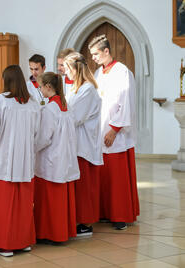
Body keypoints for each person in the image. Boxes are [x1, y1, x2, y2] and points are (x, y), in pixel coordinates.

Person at [0, 65, 40, 257]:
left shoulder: (0, 101)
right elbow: (37, 134)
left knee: (3, 205)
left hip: (2, 161)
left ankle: (5, 244)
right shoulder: (33, 103)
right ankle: (22, 242)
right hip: (25, 161)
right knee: (23, 204)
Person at [89, 34, 139, 230]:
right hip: (100, 130)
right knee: (104, 176)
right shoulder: (98, 73)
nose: (93, 57)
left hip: (116, 133)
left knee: (117, 178)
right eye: (92, 54)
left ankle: (120, 216)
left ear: (106, 51)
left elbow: (126, 102)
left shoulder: (122, 72)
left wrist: (115, 129)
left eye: (96, 54)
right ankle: (105, 212)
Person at [34, 72, 80, 243]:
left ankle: (51, 233)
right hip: (64, 156)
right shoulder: (65, 106)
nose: (40, 90)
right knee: (61, 198)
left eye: (40, 87)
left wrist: (32, 148)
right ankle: (63, 231)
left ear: (48, 87)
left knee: (50, 199)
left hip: (51, 158)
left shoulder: (50, 109)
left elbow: (44, 137)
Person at [64, 52, 103, 236]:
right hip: (76, 143)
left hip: (84, 144)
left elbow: (75, 117)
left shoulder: (88, 89)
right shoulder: (75, 88)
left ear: (74, 69)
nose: (66, 73)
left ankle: (86, 223)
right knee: (79, 185)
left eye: (67, 69)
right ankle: (77, 219)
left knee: (85, 186)